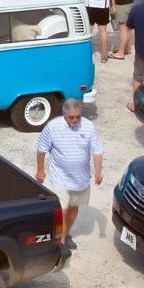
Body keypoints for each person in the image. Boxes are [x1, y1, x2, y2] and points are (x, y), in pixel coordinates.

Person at [34, 100, 102, 249]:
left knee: (73, 208)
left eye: (78, 117)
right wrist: (40, 170)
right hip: (60, 178)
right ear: (64, 114)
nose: (75, 120)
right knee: (62, 209)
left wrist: (98, 171)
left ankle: (65, 234)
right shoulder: (52, 127)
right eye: (71, 117)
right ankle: (61, 241)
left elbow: (97, 151)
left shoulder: (88, 127)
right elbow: (41, 149)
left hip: (81, 180)